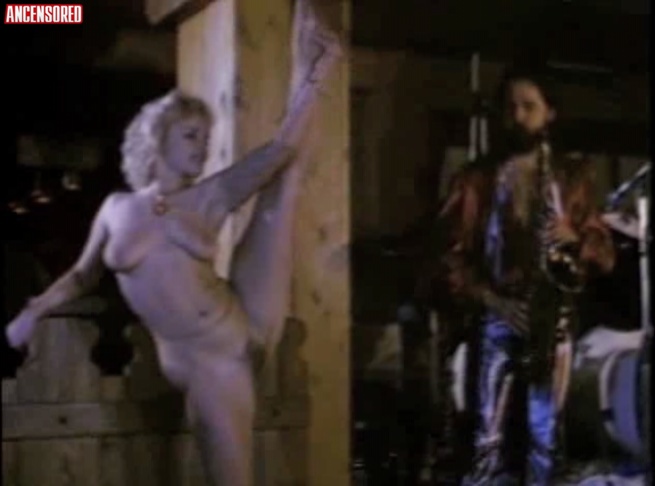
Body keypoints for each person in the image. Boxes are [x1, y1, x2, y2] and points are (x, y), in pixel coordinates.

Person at [5, 13, 342, 486]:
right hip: (191, 358)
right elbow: (82, 275)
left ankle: (317, 62)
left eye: (205, 138)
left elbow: (281, 150)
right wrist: (33, 311)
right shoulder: (117, 208)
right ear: (157, 138)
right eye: (190, 136)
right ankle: (312, 60)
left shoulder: (210, 197)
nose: (202, 148)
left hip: (228, 348)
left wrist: (318, 76)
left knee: (283, 185)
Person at [417, 62, 616, 485]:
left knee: (546, 440)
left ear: (550, 113)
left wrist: (574, 236)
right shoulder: (475, 180)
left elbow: (605, 253)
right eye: (510, 107)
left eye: (529, 106)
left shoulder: (570, 177)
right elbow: (445, 253)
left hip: (550, 321)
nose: (518, 116)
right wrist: (490, 299)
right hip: (495, 315)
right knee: (487, 441)